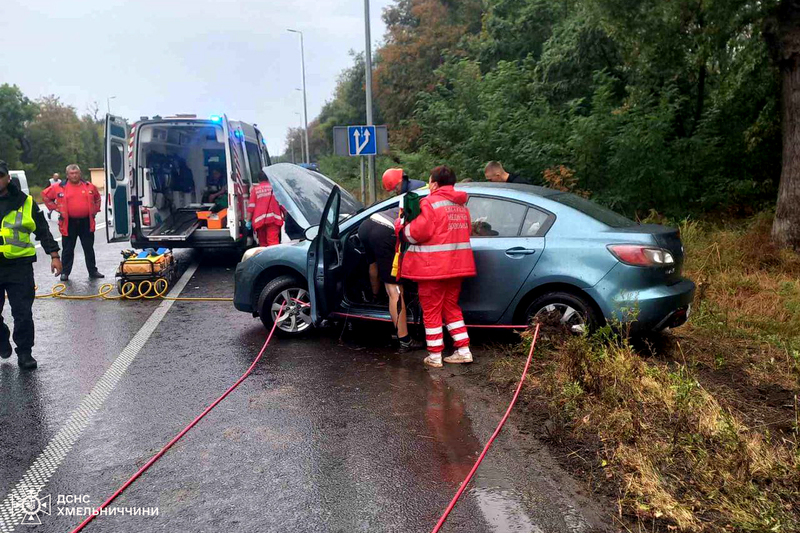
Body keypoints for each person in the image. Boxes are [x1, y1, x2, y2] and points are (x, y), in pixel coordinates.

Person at [396, 165, 476, 368]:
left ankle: (434, 355)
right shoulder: (461, 206)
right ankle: (463, 350)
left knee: (431, 310)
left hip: (433, 269)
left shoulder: (430, 203)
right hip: (457, 267)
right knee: (451, 307)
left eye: (430, 180)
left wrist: (401, 228)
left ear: (435, 183)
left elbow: (416, 233)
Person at [0, 160, 62, 370]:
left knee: (23, 312)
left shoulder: (25, 201)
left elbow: (42, 229)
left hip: (19, 267)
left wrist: (54, 255)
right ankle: (2, 338)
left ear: (8, 178)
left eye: (0, 176)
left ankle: (25, 352)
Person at [357, 205, 424, 353]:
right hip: (385, 232)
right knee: (396, 291)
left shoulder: (416, 199)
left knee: (373, 262)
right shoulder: (430, 205)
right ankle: (405, 340)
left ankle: (375, 296)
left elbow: (373, 266)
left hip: (367, 225)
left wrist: (376, 295)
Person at [41, 164, 103, 281]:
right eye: (72, 173)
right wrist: (55, 207)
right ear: (67, 175)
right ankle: (65, 272)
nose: (74, 175)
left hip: (86, 222)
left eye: (76, 173)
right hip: (68, 223)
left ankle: (93, 271)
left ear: (80, 174)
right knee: (68, 249)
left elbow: (97, 198)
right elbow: (45, 195)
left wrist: (94, 210)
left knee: (88, 248)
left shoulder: (89, 186)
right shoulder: (59, 187)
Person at [247, 170, 284, 247]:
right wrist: (286, 216)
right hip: (273, 220)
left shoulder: (255, 190)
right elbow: (282, 204)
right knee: (273, 243)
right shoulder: (275, 189)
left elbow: (251, 207)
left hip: (260, 221)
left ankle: (264, 258)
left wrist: (248, 221)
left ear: (258, 180)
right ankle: (273, 258)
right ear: (268, 179)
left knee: (263, 244)